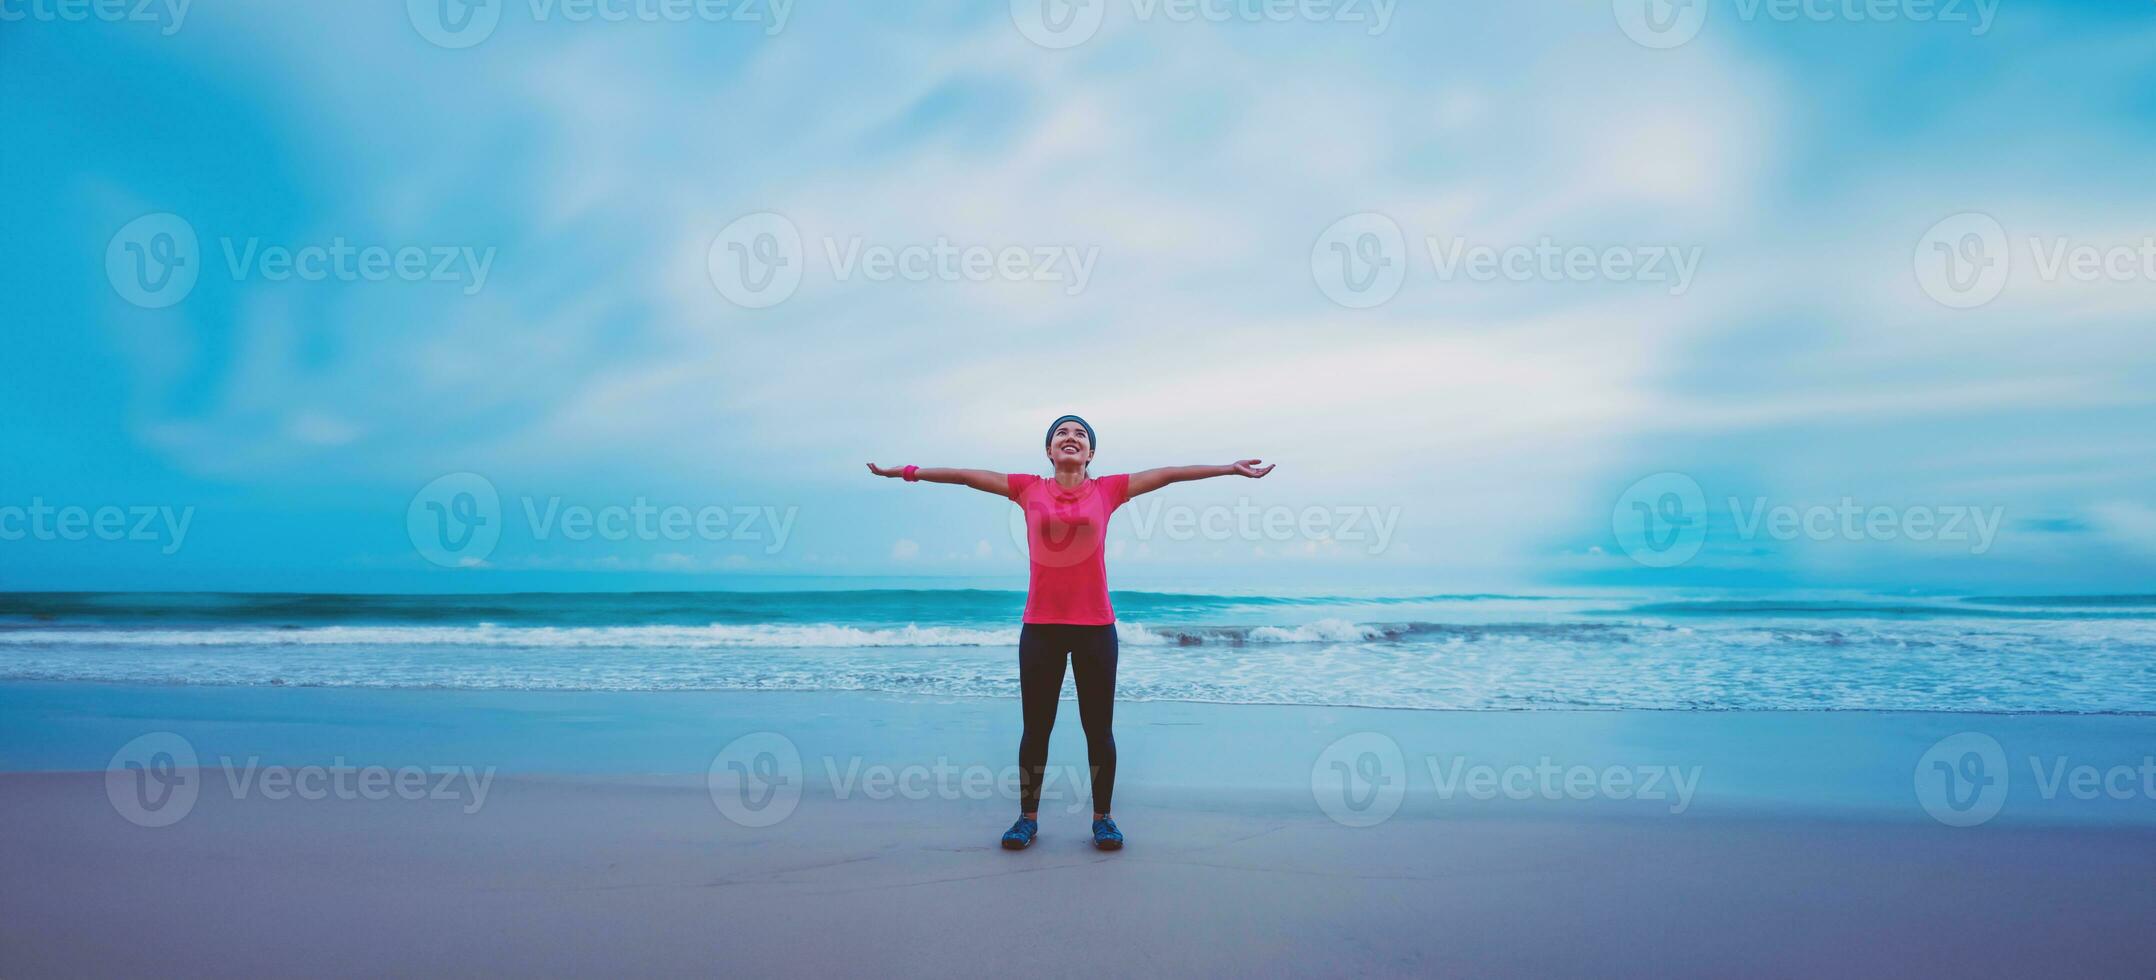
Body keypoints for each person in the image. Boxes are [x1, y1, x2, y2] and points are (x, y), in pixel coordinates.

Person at [867, 415, 1274, 851]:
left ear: (1091, 454)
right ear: (1048, 450)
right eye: (1062, 432)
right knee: (1035, 729)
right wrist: (907, 473)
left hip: (1096, 628)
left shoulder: (1108, 490)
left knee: (1097, 730)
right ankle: (1026, 819)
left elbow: (1169, 475)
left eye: (1080, 434)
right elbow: (967, 476)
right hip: (1040, 628)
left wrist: (1229, 469)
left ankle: (1103, 819)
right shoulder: (1028, 488)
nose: (1071, 437)